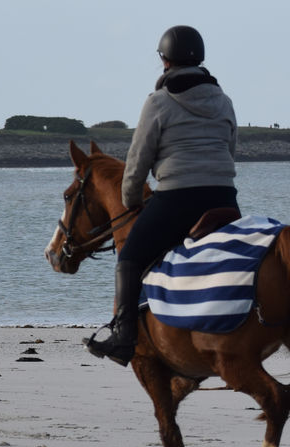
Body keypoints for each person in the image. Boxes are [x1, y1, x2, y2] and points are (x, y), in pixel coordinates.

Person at [85, 25, 240, 364]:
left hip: (177, 199)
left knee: (129, 258)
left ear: (165, 61)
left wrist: (131, 201)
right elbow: (230, 149)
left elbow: (138, 160)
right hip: (225, 198)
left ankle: (124, 338)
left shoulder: (158, 101)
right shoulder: (224, 100)